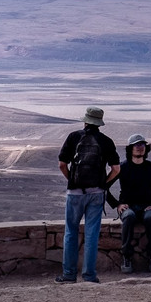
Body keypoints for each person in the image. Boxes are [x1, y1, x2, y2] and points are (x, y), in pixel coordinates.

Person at [56, 106, 120, 283]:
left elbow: (62, 164)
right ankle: (89, 276)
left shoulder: (74, 137)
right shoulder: (106, 141)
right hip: (97, 193)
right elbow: (116, 169)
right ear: (99, 122)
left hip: (75, 193)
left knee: (71, 232)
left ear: (85, 120)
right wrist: (103, 183)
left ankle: (68, 275)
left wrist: (72, 180)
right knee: (92, 234)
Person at [106, 133, 151, 274]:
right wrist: (117, 205)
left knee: (150, 218)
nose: (139, 148)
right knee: (128, 217)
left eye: (142, 145)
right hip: (128, 206)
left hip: (147, 206)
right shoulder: (122, 168)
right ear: (130, 148)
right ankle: (127, 257)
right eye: (136, 145)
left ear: (146, 148)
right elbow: (104, 187)